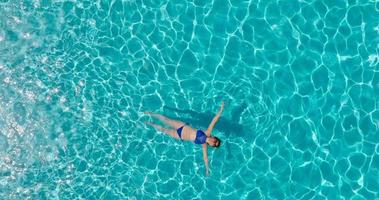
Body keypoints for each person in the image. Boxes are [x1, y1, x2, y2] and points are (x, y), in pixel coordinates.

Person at [144, 102, 224, 176]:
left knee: (163, 129)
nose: (213, 142)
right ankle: (150, 113)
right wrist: (221, 110)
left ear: (211, 145)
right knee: (166, 120)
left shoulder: (204, 145)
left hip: (179, 136)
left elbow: (205, 158)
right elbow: (214, 121)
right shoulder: (207, 132)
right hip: (182, 126)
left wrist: (207, 169)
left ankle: (149, 123)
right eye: (215, 141)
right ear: (214, 138)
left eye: (214, 144)